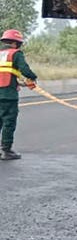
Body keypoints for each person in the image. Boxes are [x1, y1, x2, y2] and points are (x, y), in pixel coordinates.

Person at [0, 30, 37, 160]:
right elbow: (25, 70)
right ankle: (6, 150)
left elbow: (6, 73)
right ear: (15, 43)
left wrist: (18, 82)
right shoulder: (15, 54)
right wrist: (33, 78)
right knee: (8, 122)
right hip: (8, 95)